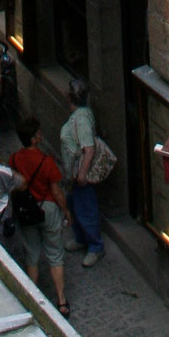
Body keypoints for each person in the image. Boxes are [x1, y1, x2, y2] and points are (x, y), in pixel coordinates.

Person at [9, 114, 70, 316]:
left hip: (26, 211)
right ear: (34, 138)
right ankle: (61, 300)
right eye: (38, 133)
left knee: (32, 254)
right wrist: (66, 210)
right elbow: (56, 191)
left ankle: (32, 298)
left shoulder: (15, 159)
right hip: (48, 209)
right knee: (55, 254)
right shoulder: (47, 161)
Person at [59, 75, 104, 268]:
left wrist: (82, 175)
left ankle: (95, 246)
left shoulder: (82, 119)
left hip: (79, 175)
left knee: (85, 209)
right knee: (74, 205)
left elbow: (89, 148)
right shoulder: (79, 115)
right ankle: (81, 238)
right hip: (73, 174)